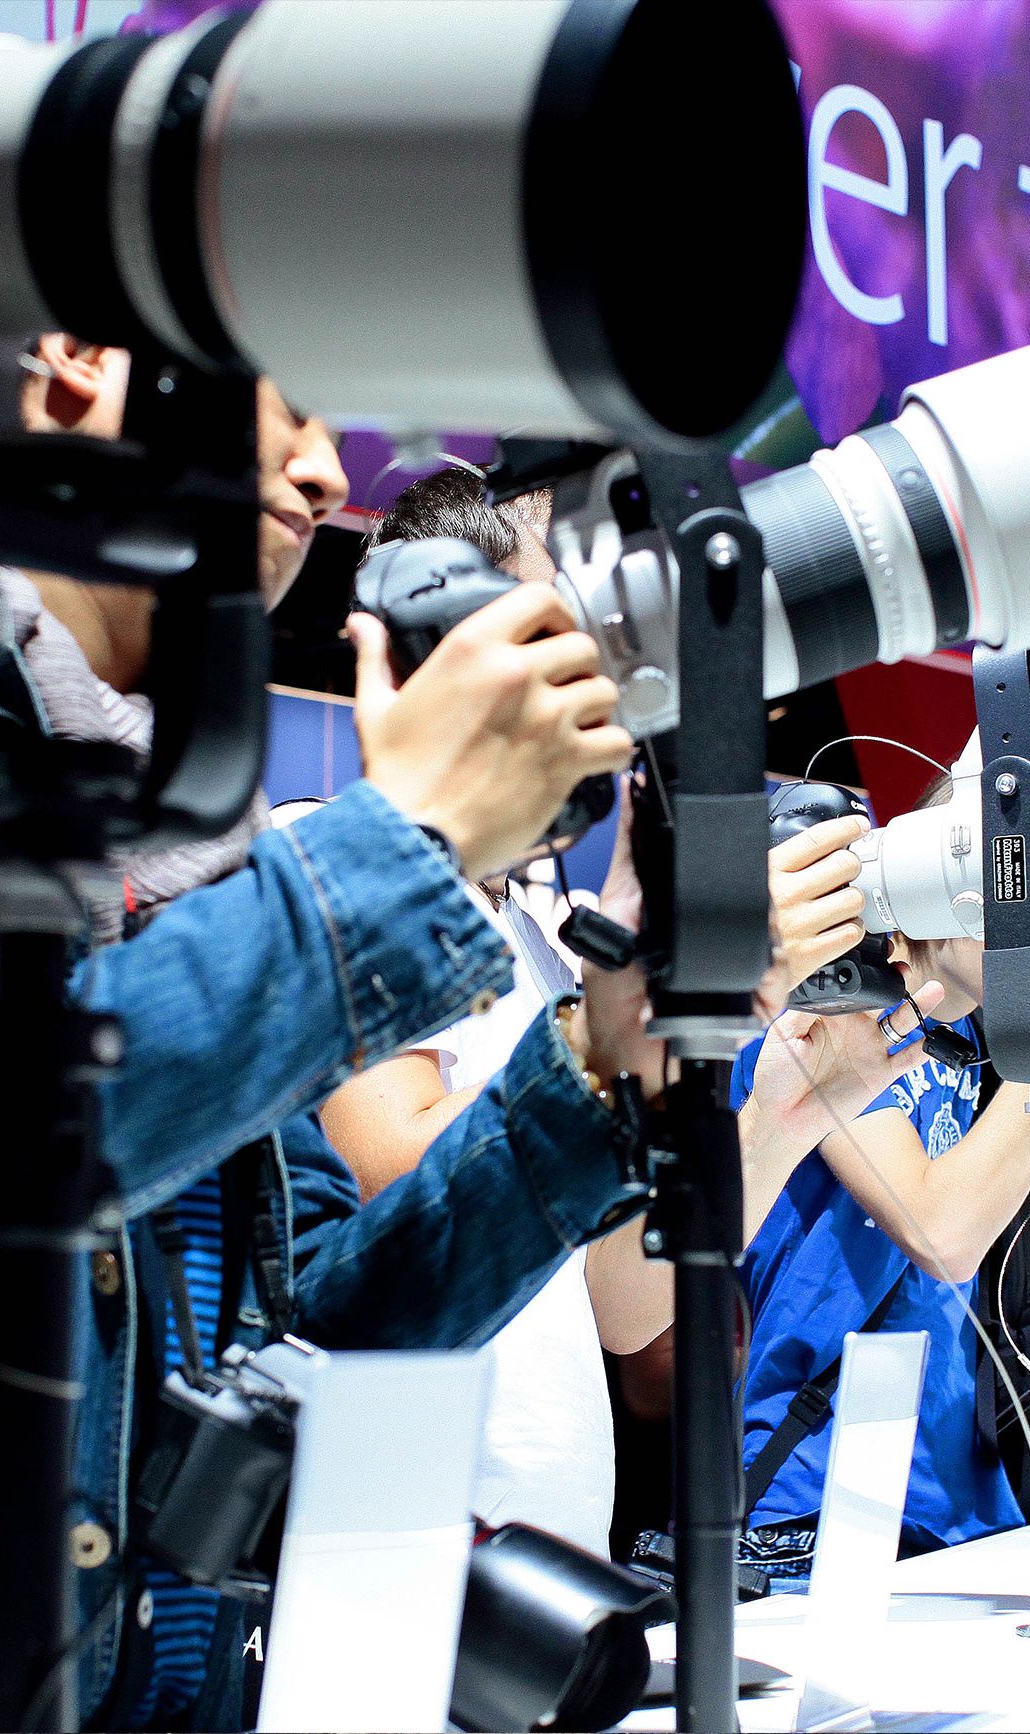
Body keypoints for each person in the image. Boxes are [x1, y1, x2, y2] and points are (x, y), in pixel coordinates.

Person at [0, 319, 727, 1727]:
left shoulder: (197, 845)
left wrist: (595, 1052)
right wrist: (412, 840)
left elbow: (320, 1334)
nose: (326, 475)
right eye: (288, 410)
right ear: (78, 362)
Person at [317, 468, 892, 1552]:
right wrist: (615, 1026)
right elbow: (388, 1168)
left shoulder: (546, 934)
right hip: (396, 1527)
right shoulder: (339, 860)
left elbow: (621, 1305)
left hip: (545, 1530)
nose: (607, 669)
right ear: (437, 638)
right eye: (567, 622)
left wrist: (789, 1103)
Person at [724, 870, 1030, 1578]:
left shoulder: (992, 1044)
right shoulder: (827, 1025)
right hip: (821, 1487)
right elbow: (942, 1236)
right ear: (948, 885)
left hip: (968, 1495)